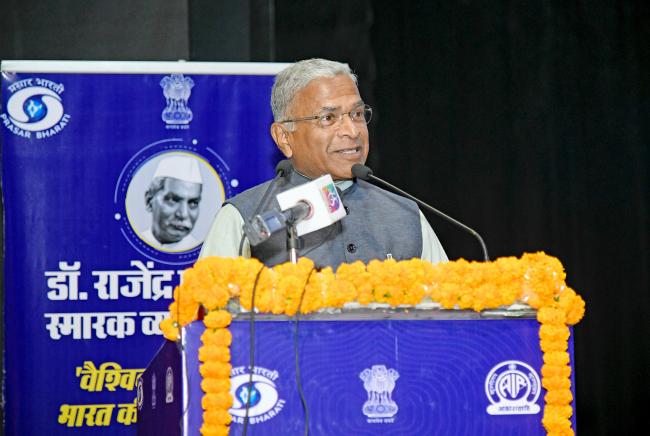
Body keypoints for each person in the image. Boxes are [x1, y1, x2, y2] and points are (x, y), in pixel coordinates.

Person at [200, 58, 447, 268]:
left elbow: (450, 315)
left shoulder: (404, 213)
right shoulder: (245, 218)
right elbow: (208, 313)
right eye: (328, 118)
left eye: (357, 114)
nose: (351, 130)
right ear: (284, 137)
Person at [142, 155, 203, 251]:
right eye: (173, 200)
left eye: (193, 203)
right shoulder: (130, 247)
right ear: (149, 201)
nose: (183, 214)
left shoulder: (204, 255)